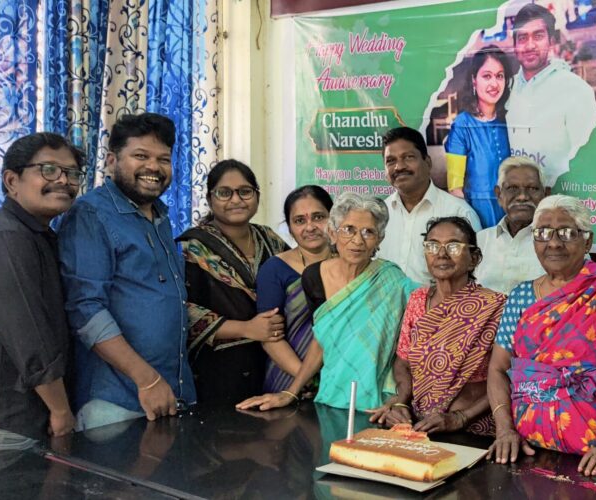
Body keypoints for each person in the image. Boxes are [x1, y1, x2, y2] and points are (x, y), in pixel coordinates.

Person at [486, 195, 596, 476]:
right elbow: (498, 367)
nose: (553, 243)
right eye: (542, 233)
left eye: (567, 232)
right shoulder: (520, 297)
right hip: (528, 453)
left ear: (587, 241)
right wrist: (504, 430)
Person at [60, 112, 196, 429]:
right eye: (140, 156)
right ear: (111, 160)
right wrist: (146, 380)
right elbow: (86, 309)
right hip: (116, 403)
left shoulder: (160, 216)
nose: (154, 167)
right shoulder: (92, 214)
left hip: (171, 394)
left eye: (163, 158)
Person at [237, 194, 417, 412]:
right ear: (333, 233)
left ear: (379, 239)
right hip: (329, 393)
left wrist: (399, 399)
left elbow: (408, 347)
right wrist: (290, 392)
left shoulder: (392, 280)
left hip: (377, 401)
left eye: (368, 232)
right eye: (348, 229)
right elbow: (323, 338)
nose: (358, 241)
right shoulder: (314, 277)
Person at [368, 217, 505, 435]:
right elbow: (403, 362)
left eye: (453, 246)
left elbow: (507, 375)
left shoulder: (496, 306)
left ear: (474, 258)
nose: (441, 254)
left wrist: (460, 418)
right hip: (422, 425)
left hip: (475, 429)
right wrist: (402, 403)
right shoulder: (418, 299)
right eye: (432, 246)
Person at [0, 133, 83, 444]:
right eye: (48, 169)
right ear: (12, 180)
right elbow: (28, 333)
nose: (63, 181)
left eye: (71, 173)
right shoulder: (6, 236)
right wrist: (60, 408)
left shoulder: (41, 235)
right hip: (11, 415)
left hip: (34, 408)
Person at [178, 160, 290, 405]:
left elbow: (297, 284)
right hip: (218, 371)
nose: (236, 200)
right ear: (209, 199)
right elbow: (180, 310)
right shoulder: (191, 248)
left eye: (245, 191)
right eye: (224, 193)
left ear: (257, 196)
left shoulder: (270, 239)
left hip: (275, 367)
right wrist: (246, 328)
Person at [505, 3, 596, 187]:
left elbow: (590, 158)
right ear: (514, 45)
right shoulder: (506, 90)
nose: (530, 45)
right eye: (522, 37)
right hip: (516, 203)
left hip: (561, 205)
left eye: (538, 36)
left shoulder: (575, 89)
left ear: (551, 41)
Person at [255, 185, 334, 395]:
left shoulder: (350, 265)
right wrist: (307, 380)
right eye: (300, 220)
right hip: (288, 381)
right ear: (289, 228)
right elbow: (270, 338)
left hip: (341, 382)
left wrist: (331, 384)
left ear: (333, 218)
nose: (310, 227)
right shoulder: (275, 269)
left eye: (318, 217)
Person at [377, 127, 481, 285]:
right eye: (391, 161)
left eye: (408, 157)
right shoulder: (378, 214)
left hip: (441, 309)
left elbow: (477, 274)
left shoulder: (459, 212)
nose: (399, 167)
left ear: (427, 162)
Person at [446, 45, 516, 227]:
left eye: (499, 76)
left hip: (514, 208)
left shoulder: (511, 118)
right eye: (487, 76)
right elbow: (455, 188)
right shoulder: (462, 124)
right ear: (474, 80)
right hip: (477, 212)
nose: (494, 84)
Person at [475, 156, 547, 293]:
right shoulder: (480, 240)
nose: (522, 196)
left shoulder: (559, 244)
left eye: (532, 188)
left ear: (545, 194)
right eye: (512, 188)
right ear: (498, 194)